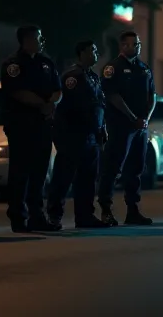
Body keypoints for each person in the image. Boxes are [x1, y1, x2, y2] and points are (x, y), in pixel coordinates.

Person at [1, 25, 62, 232]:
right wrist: (42, 104)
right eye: (38, 38)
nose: (42, 41)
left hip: (43, 124)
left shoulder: (46, 61)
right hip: (21, 125)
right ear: (26, 40)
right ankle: (18, 218)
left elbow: (57, 89)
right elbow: (17, 92)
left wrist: (52, 103)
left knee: (39, 172)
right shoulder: (13, 64)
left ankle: (37, 216)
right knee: (20, 173)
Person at [47, 40, 111, 229]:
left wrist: (102, 128)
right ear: (82, 53)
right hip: (73, 135)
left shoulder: (92, 76)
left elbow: (99, 104)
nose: (96, 53)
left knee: (88, 178)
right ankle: (54, 216)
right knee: (63, 177)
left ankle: (85, 216)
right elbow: (69, 107)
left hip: (91, 136)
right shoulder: (72, 76)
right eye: (92, 50)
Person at [97, 30, 156, 226]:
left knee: (136, 169)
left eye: (138, 44)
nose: (136, 47)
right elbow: (112, 96)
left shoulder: (144, 68)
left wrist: (145, 119)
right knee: (113, 168)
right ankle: (106, 210)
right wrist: (132, 118)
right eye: (132, 44)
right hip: (120, 126)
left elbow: (152, 95)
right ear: (123, 45)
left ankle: (133, 210)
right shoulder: (113, 68)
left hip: (140, 127)